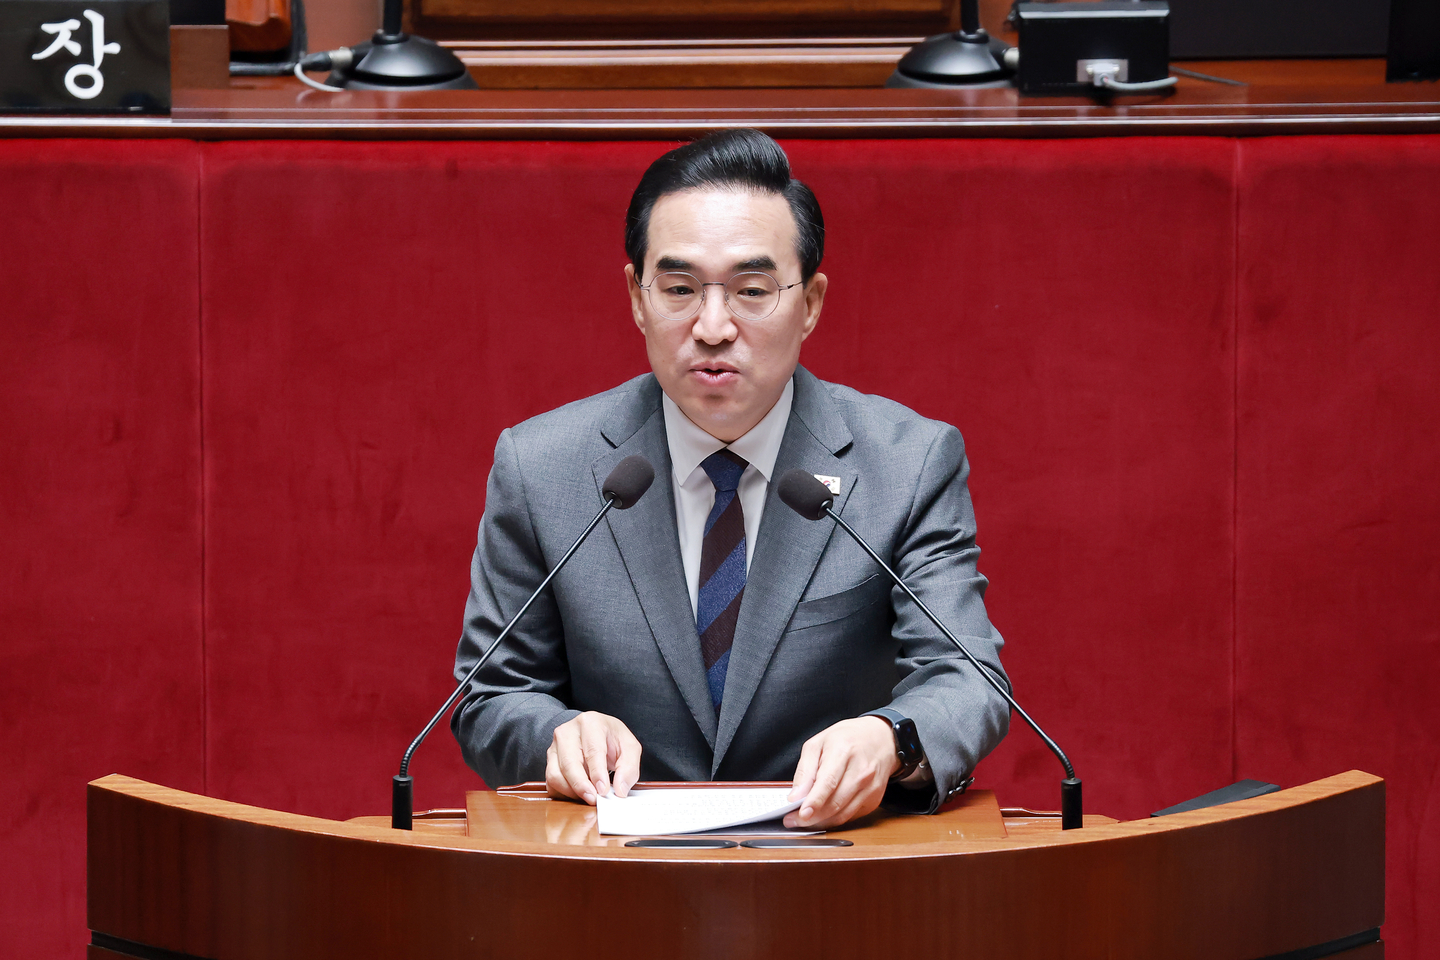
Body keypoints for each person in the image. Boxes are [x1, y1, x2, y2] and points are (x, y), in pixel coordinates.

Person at [451, 128, 1010, 829]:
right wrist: (557, 737)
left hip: (835, 864)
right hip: (611, 869)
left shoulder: (907, 463)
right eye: (679, 289)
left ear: (810, 303)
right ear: (636, 297)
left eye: (751, 291)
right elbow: (492, 695)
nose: (712, 327)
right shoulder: (542, 467)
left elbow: (967, 679)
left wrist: (890, 739)